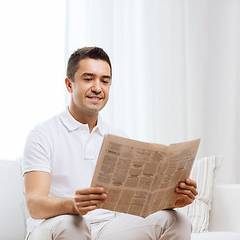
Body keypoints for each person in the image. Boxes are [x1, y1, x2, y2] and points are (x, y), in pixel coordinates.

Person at [22, 47, 198, 240]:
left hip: (104, 229)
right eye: (88, 79)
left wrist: (172, 200)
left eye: (104, 81)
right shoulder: (43, 134)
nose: (97, 87)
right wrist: (73, 206)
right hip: (53, 227)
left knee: (175, 220)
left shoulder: (117, 137)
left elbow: (134, 202)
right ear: (69, 84)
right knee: (73, 223)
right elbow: (35, 205)